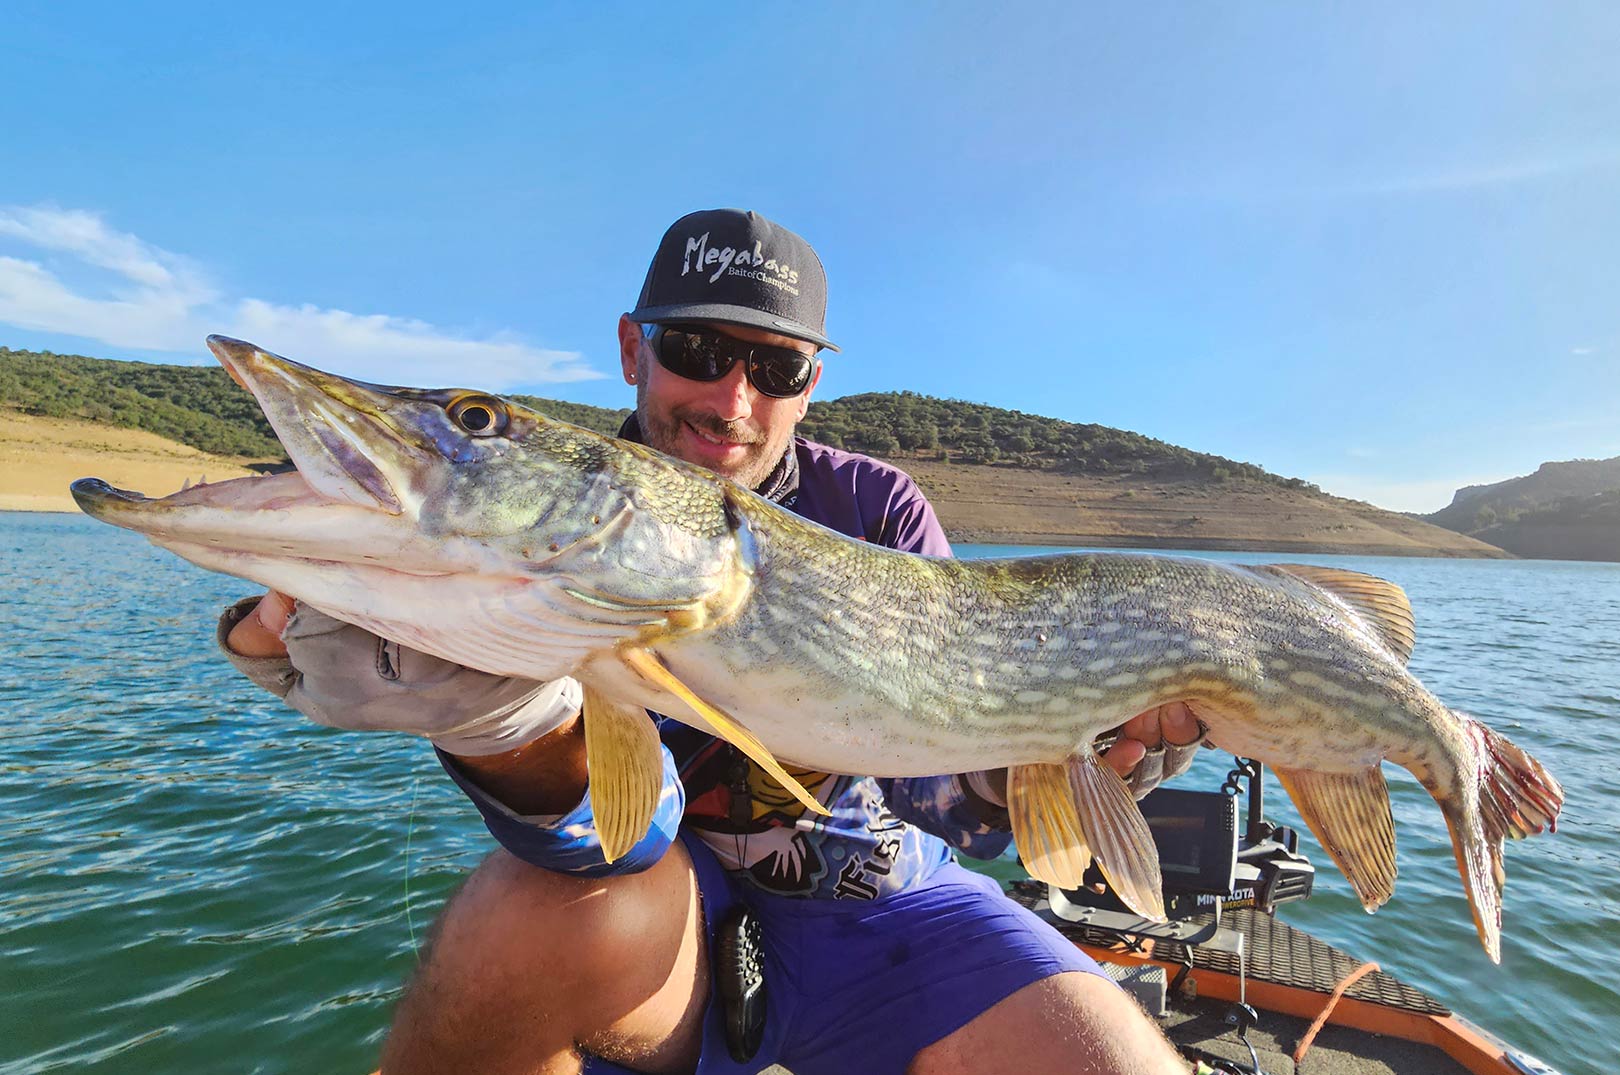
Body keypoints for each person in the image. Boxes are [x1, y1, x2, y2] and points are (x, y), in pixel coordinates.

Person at [220, 209, 1203, 1074]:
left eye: (775, 367)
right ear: (631, 348)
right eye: (695, 348)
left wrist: (1083, 749)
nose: (731, 398)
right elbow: (598, 840)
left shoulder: (874, 506)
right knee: (523, 915)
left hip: (877, 885)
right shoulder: (535, 523)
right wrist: (486, 720)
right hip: (659, 910)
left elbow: (949, 811)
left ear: (811, 383)